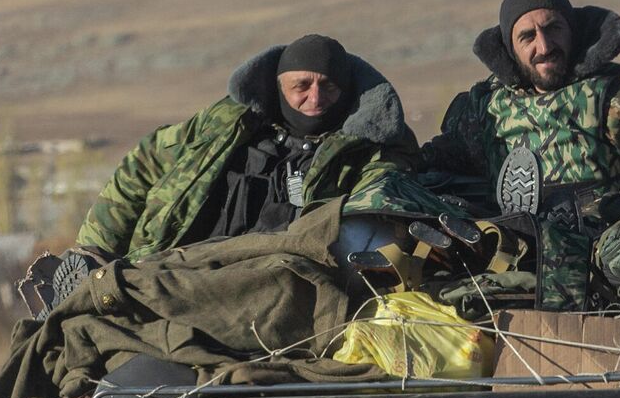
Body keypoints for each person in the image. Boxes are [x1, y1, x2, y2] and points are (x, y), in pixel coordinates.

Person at [424, 0, 620, 309]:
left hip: (612, 279)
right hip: (515, 275)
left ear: (573, 31)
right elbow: (432, 169)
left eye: (553, 29)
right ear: (509, 47)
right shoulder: (484, 111)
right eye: (528, 37)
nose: (544, 45)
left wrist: (602, 214)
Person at [75, 34, 418, 263]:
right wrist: (96, 250)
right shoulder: (225, 123)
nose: (314, 98)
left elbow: (383, 189)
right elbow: (146, 161)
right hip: (174, 265)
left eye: (328, 87)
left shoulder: (372, 147)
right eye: (301, 86)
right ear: (278, 85)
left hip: (280, 279)